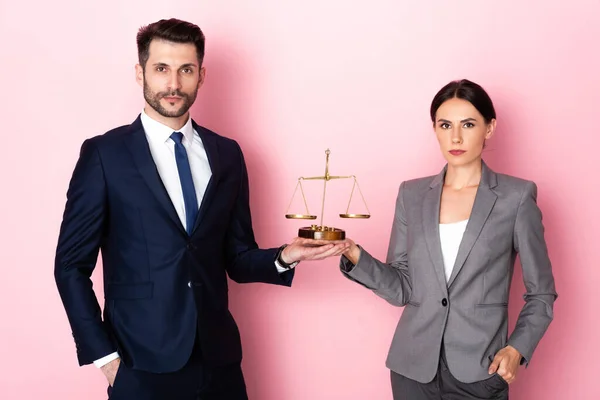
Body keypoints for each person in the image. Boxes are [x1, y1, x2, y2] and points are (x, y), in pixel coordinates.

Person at [53, 18, 347, 400]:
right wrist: (106, 359)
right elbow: (70, 267)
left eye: (185, 70)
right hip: (139, 364)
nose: (173, 84)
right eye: (161, 69)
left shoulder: (227, 154)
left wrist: (286, 256)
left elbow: (237, 258)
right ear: (140, 73)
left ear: (201, 75)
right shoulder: (104, 155)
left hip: (219, 362)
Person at [338, 79, 557, 399]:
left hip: (480, 372)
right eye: (445, 125)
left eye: (468, 124)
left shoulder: (516, 198)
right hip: (411, 369)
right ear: (435, 129)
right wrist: (355, 254)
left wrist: (516, 349)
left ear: (490, 127)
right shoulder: (411, 195)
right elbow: (402, 288)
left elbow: (542, 293)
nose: (455, 137)